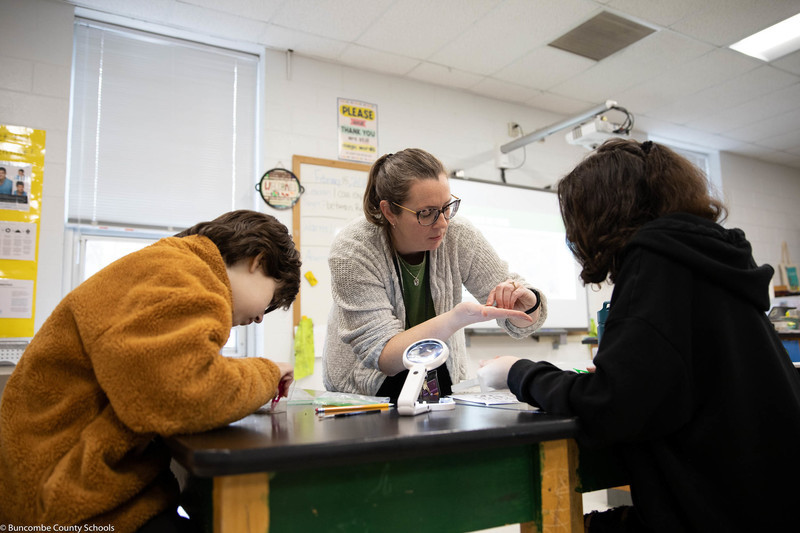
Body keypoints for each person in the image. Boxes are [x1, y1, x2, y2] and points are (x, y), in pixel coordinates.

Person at [479, 139, 800, 532]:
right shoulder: (712, 259)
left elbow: (610, 408)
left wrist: (517, 372)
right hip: (765, 501)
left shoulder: (654, 264)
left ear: (603, 213)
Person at [0, 210, 301, 532]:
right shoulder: (183, 274)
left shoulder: (166, 266)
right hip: (69, 508)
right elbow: (184, 394)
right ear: (258, 260)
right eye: (270, 302)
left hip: (51, 488)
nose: (259, 319)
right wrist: (268, 373)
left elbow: (166, 367)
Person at [323, 148, 547, 402]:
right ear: (389, 212)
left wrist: (528, 304)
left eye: (447, 207)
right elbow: (383, 355)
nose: (442, 223)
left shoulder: (459, 235)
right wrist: (455, 318)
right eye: (426, 213)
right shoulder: (353, 250)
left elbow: (519, 315)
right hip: (368, 390)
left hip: (441, 379)